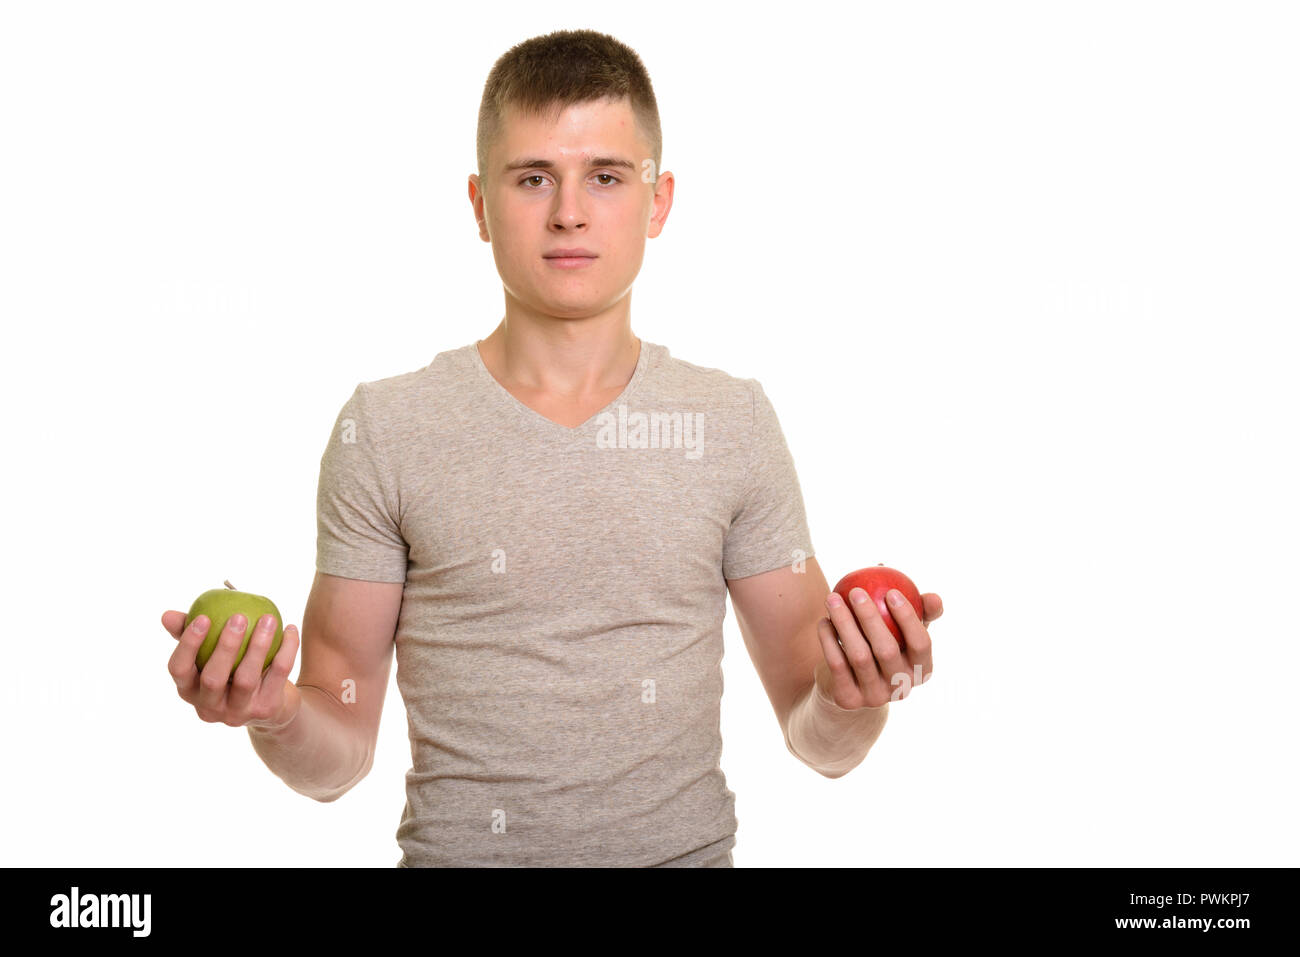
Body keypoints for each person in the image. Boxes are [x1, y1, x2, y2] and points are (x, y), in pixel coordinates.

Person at [162, 28, 942, 867]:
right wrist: (274, 708)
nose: (569, 210)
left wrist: (857, 694)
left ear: (659, 201)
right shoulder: (385, 428)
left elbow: (816, 734)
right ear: (478, 205)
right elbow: (338, 753)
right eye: (533, 177)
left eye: (606, 177)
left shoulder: (732, 421)